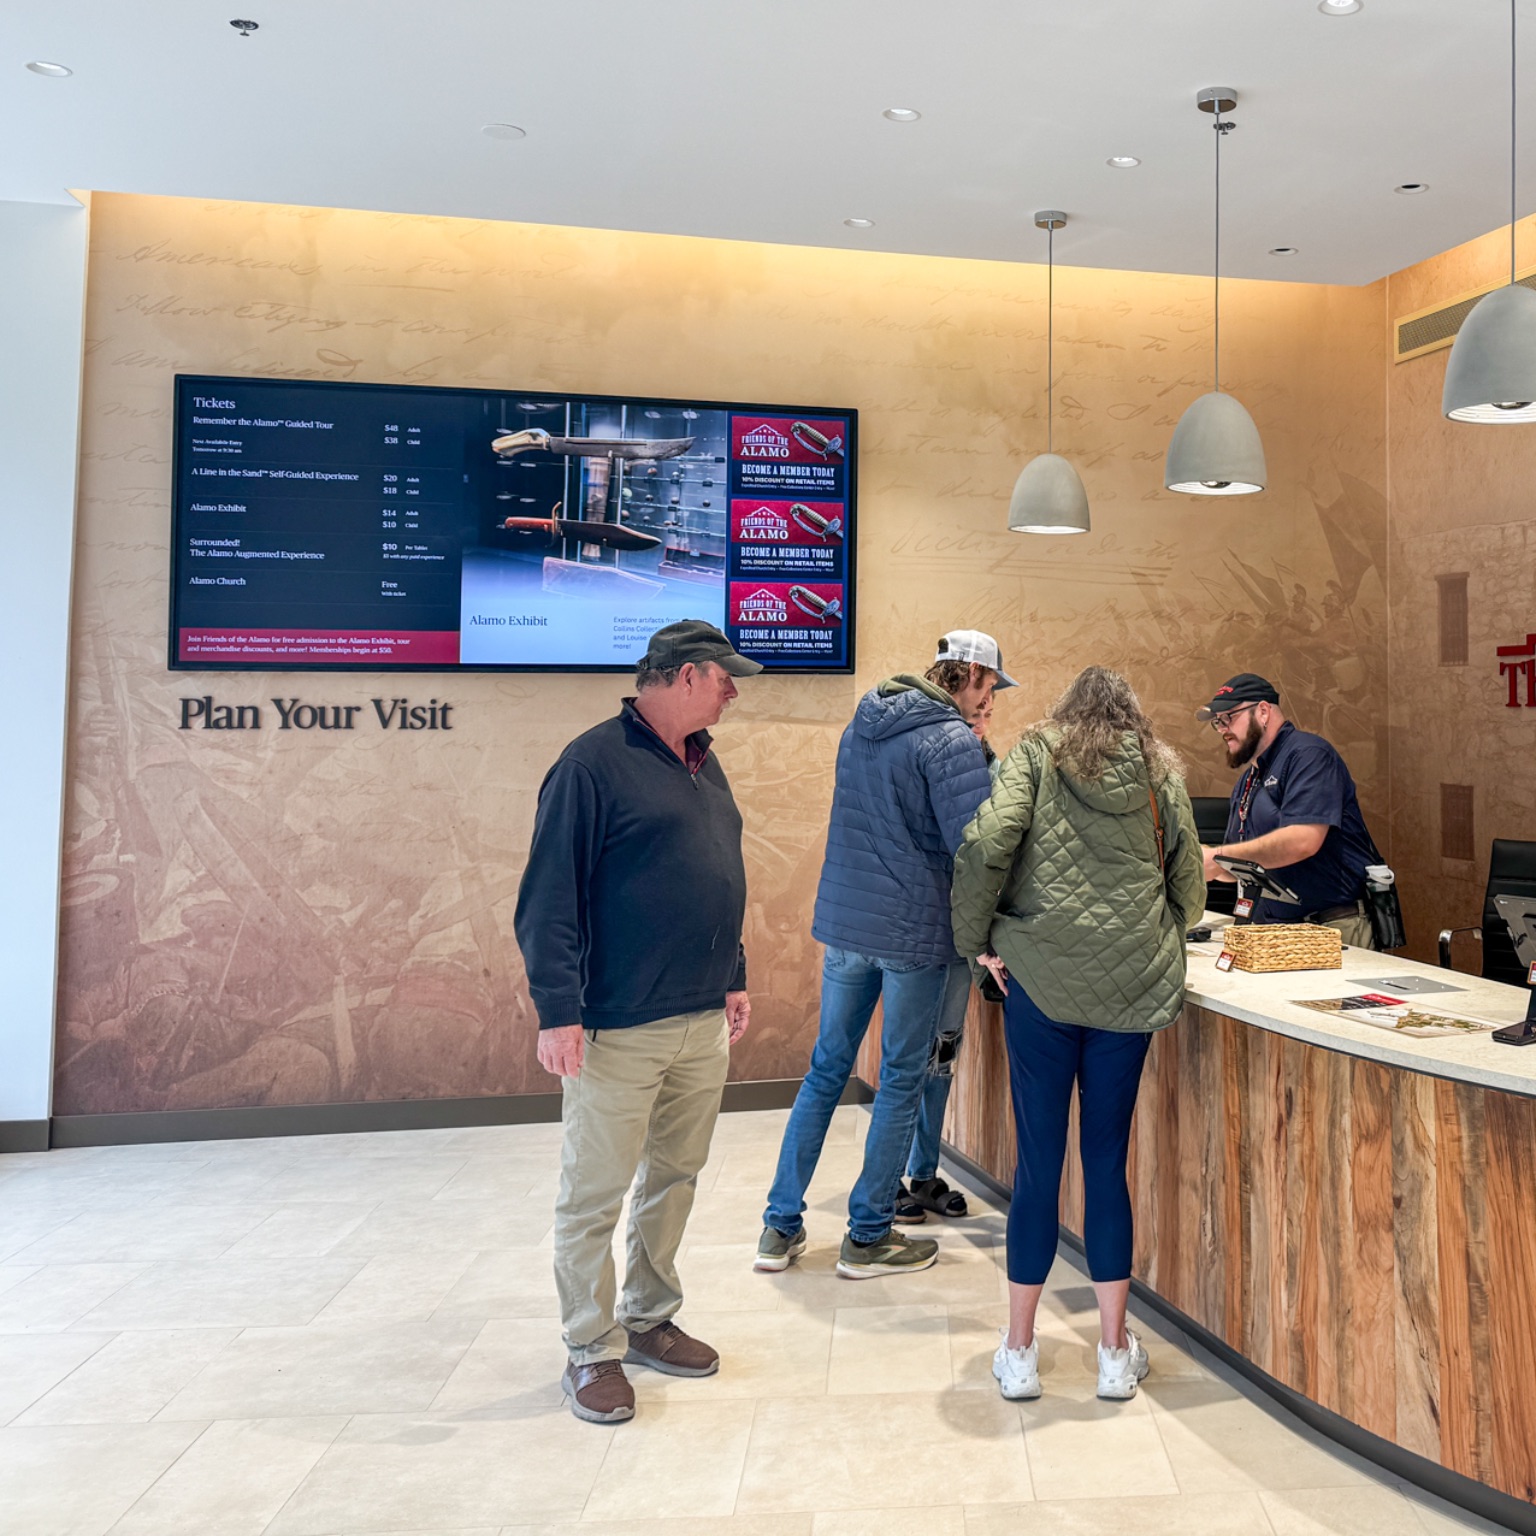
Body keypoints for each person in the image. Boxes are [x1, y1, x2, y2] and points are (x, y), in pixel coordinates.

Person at [514, 619, 761, 1426]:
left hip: (699, 1018)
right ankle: (590, 1350)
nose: (732, 691)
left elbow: (719, 874)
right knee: (595, 1192)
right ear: (687, 675)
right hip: (617, 1024)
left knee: (674, 1178)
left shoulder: (703, 762)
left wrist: (733, 975)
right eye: (725, 677)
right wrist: (559, 1013)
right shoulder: (591, 764)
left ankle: (650, 1318)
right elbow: (547, 901)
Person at [950, 666, 1205, 1401]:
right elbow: (1189, 881)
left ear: (1067, 712)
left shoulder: (1036, 752)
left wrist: (979, 943)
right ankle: (1115, 1354)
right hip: (1131, 988)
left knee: (1037, 1164)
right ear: (1131, 716)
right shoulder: (1159, 769)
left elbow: (986, 844)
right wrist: (1159, 931)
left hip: (1041, 981)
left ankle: (1021, 1352)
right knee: (1105, 1160)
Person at [756, 629, 1007, 1278]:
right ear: (971, 673)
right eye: (990, 687)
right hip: (914, 937)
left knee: (824, 1072)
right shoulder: (949, 738)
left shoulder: (864, 720)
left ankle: (778, 1228)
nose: (990, 701)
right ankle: (867, 1236)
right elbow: (975, 849)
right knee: (901, 1079)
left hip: (847, 926)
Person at [894, 686, 1001, 1225]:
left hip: (962, 938)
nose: (982, 721)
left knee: (941, 1054)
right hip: (915, 935)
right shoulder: (919, 751)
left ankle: (924, 1172)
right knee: (907, 1060)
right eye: (976, 710)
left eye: (988, 714)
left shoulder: (995, 768)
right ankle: (887, 1181)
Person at [1195, 673, 1381, 948]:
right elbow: (1240, 866)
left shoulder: (1309, 755)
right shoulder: (1249, 779)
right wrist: (1202, 862)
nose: (1222, 729)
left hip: (1330, 931)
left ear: (1263, 711)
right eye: (1217, 722)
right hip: (1276, 935)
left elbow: (1302, 841)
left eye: (1228, 717)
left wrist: (1217, 856)